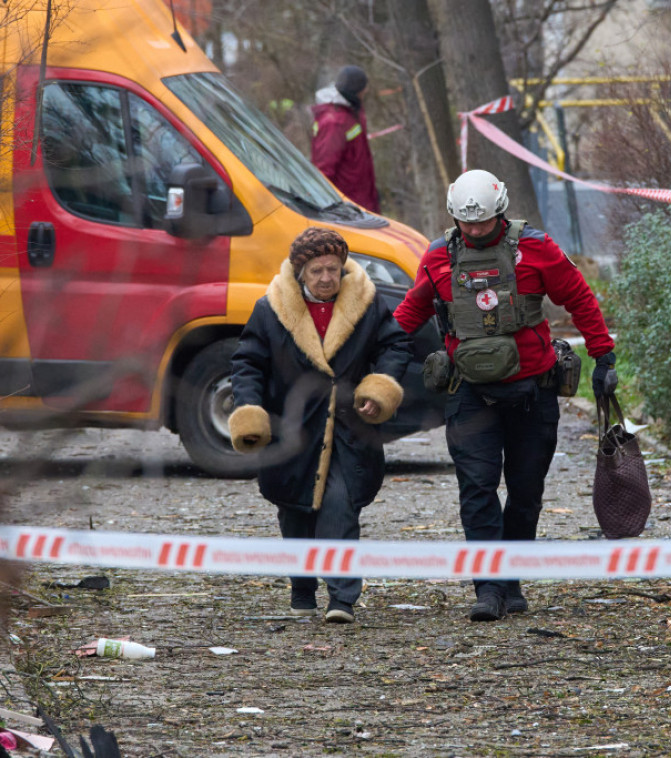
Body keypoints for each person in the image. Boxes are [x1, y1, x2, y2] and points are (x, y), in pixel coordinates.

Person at [393, 169, 616, 622]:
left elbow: (580, 298)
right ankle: (488, 588)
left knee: (526, 491)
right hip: (469, 395)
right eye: (465, 224)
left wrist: (604, 357)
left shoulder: (536, 248)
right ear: (454, 217)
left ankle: (511, 577)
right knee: (476, 489)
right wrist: (377, 359)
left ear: (501, 211)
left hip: (533, 391)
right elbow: (410, 311)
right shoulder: (438, 257)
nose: (474, 232)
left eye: (482, 223)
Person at [228, 227, 412, 623]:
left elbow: (395, 345)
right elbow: (248, 363)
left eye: (333, 269)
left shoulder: (366, 304)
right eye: (317, 271)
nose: (326, 278)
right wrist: (249, 409)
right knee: (294, 508)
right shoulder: (270, 308)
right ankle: (302, 588)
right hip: (292, 428)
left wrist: (378, 387)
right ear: (300, 273)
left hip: (348, 426)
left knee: (339, 505)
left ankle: (342, 598)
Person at [311, 65, 381, 213]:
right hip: (348, 208)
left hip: (363, 199)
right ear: (356, 91)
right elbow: (324, 170)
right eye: (364, 88)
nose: (366, 91)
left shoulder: (352, 110)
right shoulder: (334, 123)